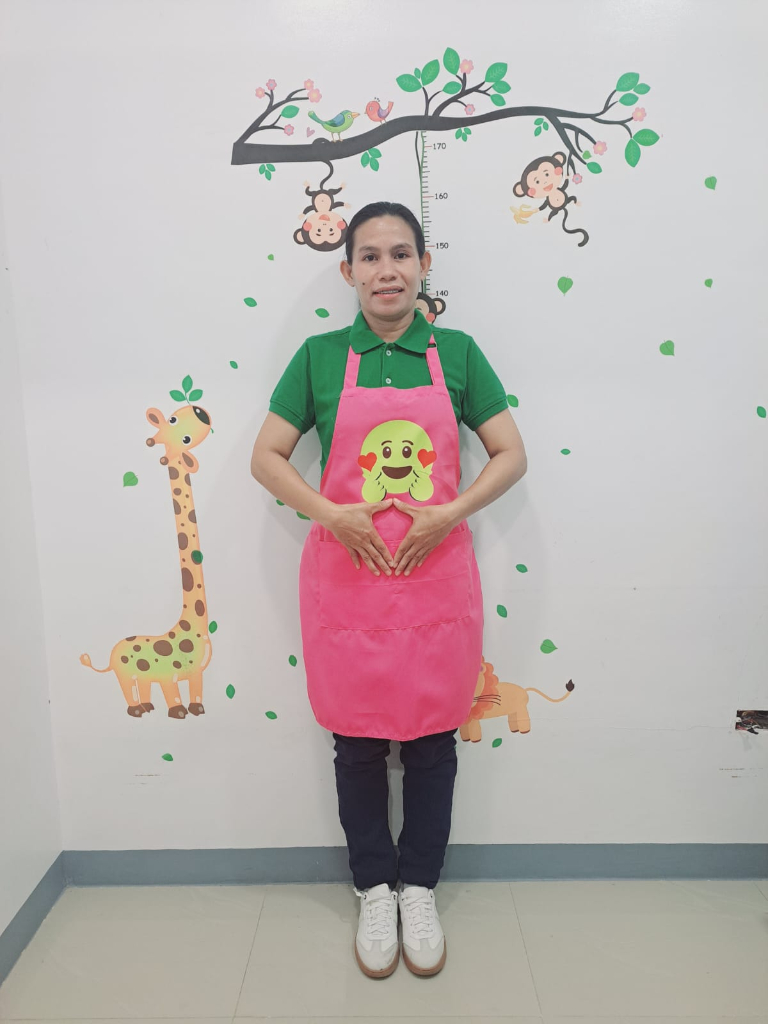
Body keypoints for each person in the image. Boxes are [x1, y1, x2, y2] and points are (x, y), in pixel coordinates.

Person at [250, 201, 527, 979]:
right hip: (349, 582)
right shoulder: (319, 357)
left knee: (434, 739)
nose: (386, 271)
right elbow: (267, 457)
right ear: (348, 272)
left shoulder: (458, 354)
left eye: (401, 254)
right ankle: (375, 886)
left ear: (423, 265)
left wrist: (451, 512)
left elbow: (510, 453)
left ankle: (421, 889)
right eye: (369, 257)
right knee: (359, 742)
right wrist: (332, 513)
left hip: (436, 580)